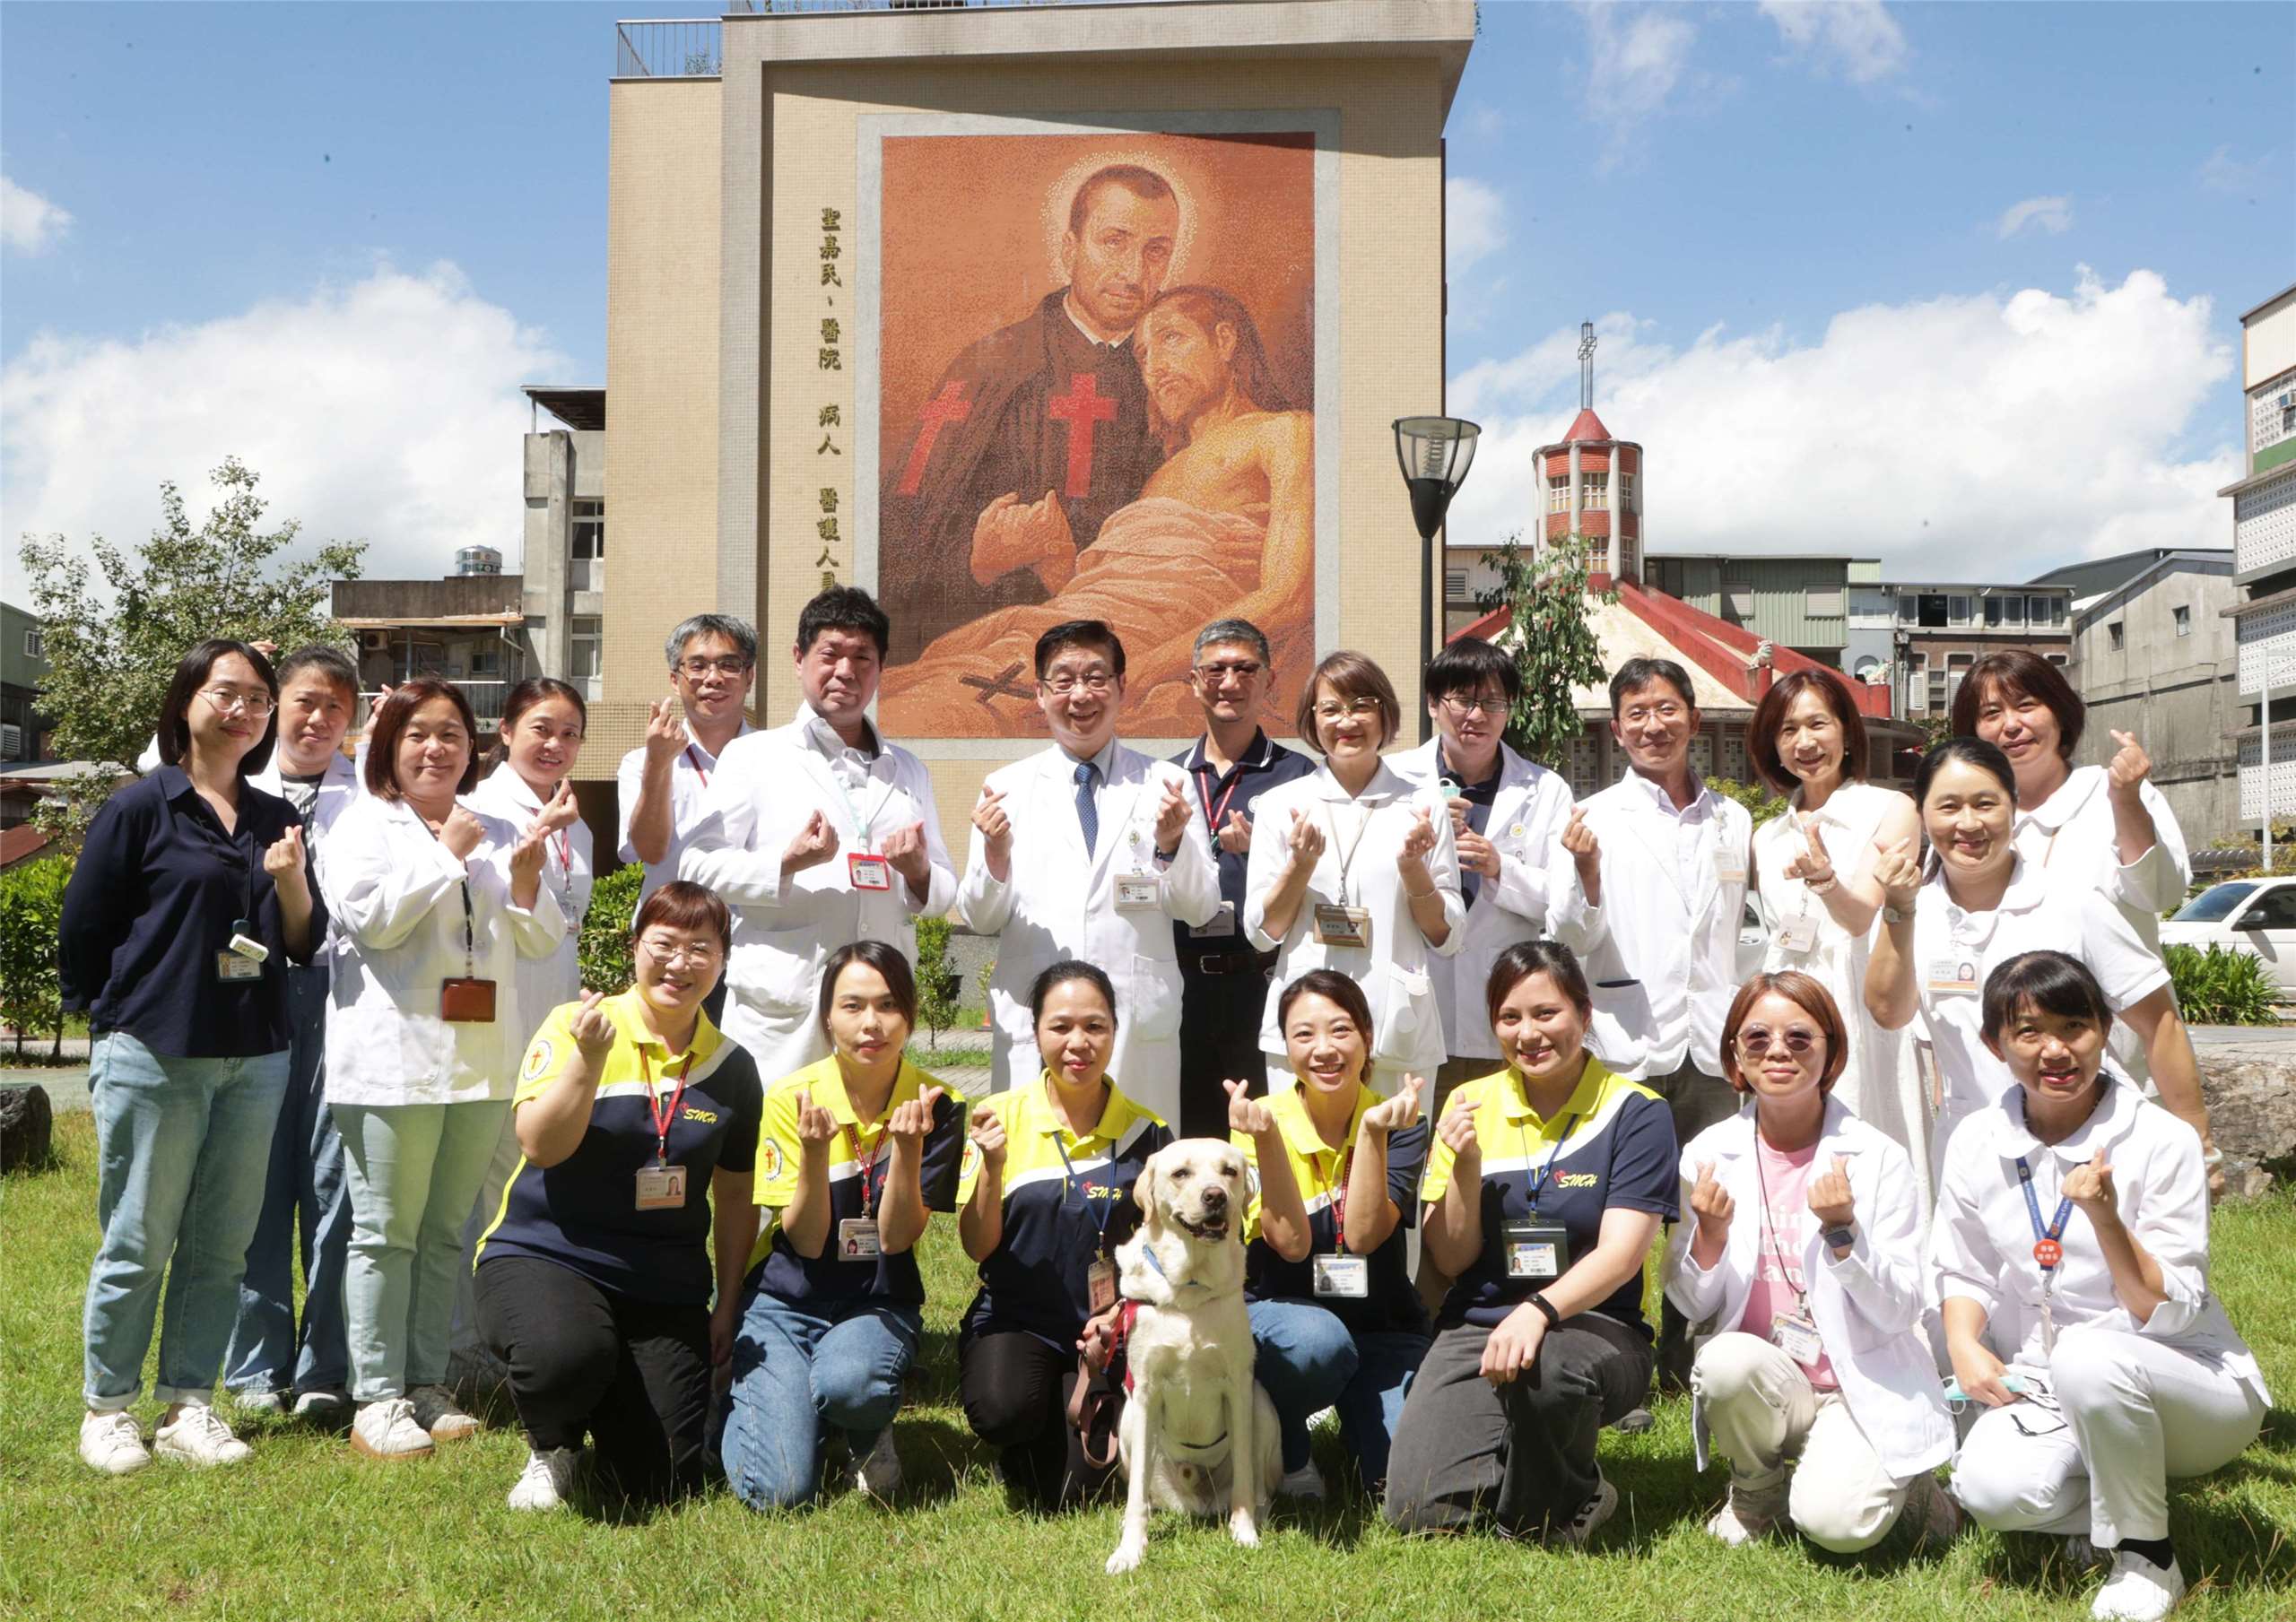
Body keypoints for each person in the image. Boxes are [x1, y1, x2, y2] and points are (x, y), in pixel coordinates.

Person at [1936, 952, 2267, 1622]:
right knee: (1988, 1490)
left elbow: (2164, 1307)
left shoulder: (2162, 1139)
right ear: (1993, 1043)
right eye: (2028, 1031)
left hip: (2189, 1383)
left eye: (2075, 1026)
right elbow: (1962, 1265)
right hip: (2048, 1383)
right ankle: (2118, 1502)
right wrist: (1964, 1344)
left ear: (2107, 1028)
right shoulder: (1975, 1138)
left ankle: (2147, 1556)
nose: (2055, 1049)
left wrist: (2105, 1215)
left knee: (2089, 1353)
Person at [64, 640, 322, 1473]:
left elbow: (301, 940)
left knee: (223, 1244)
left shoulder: (278, 817)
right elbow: (86, 925)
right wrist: (118, 1017)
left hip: (256, 1056)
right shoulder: (143, 805)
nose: (245, 709)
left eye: (257, 697)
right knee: (138, 1235)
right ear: (187, 704)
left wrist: (290, 881)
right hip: (157, 1048)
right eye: (227, 693)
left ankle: (187, 1403)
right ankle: (108, 1407)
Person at [878, 285, 1313, 737]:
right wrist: (1059, 561)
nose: (1155, 367)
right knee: (913, 710)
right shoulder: (1160, 474)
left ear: (1224, 341)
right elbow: (1120, 591)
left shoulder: (1284, 433)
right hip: (1062, 634)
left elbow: (1288, 597)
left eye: (1172, 339)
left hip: (1134, 659)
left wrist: (1138, 673)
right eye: (1143, 355)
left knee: (944, 721)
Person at [320, 678, 565, 1460]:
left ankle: (426, 1381)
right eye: (419, 733)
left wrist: (525, 880)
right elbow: (376, 921)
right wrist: (442, 852)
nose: (436, 748)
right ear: (389, 743)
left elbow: (534, 939)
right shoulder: (359, 826)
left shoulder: (493, 826)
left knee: (442, 1234)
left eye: (452, 735)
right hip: (392, 1064)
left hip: (480, 1064)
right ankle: (376, 1395)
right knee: (384, 1231)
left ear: (473, 748)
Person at [473, 883, 761, 1511]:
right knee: (566, 1353)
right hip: (546, 1254)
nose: (680, 963)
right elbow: (539, 1143)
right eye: (664, 943)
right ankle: (554, 1442)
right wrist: (588, 1059)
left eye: (700, 948)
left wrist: (726, 1303)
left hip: (661, 1284)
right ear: (635, 948)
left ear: (723, 960)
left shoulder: (732, 1066)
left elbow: (738, 1194)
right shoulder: (576, 1025)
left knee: (663, 1481)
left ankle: (606, 1380)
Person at [1383, 942, 1676, 1543]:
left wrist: (1537, 1311)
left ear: (1584, 1014)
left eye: (1547, 1013)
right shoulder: (1469, 1102)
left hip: (1592, 1328)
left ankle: (1575, 1494)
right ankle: (1520, 1447)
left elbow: (1622, 1257)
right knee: (1419, 1512)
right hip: (1481, 1326)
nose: (1529, 1032)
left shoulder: (1636, 1111)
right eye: (1510, 1017)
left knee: (1534, 1520)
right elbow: (1452, 1257)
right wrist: (1464, 1167)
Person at [1662, 971, 1957, 1553]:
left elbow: (1902, 1308)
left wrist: (1845, 1236)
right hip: (1771, 1377)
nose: (1777, 1050)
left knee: (1834, 1527)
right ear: (1735, 1056)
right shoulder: (1708, 1154)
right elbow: (1690, 1302)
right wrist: (1711, 1240)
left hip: (1857, 1382)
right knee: (1721, 1362)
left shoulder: (1877, 1156)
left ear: (1830, 1052)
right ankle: (1756, 1492)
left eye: (1799, 1038)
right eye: (1757, 1039)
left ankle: (1918, 1491)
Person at [1548, 655, 1752, 1392]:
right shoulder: (1591, 816)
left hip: (1712, 1035)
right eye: (1636, 713)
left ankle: (1688, 1337)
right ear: (1618, 728)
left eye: (1667, 709)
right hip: (1627, 1028)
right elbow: (1566, 933)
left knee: (1709, 1192)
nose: (1652, 725)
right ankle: (1620, 1339)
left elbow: (1732, 925)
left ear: (1694, 719)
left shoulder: (1733, 818)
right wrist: (1588, 875)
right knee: (1620, 1198)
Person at [1864, 739, 2207, 1175]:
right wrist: (1899, 909)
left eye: (1985, 804)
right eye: (1948, 807)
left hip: (2090, 1146)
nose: (1968, 823)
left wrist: (2199, 1140)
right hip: (1973, 1152)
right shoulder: (1910, 912)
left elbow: (2159, 1023)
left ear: (2013, 807)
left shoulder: (2074, 903)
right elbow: (1889, 1012)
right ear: (1924, 816)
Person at [880, 164, 1178, 663]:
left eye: (1155, 251)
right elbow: (902, 541)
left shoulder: (1185, 375)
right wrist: (978, 561)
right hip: (995, 644)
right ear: (1070, 248)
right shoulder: (992, 366)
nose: (1133, 272)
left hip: (1143, 645)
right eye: (1114, 242)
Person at [718, 941, 965, 1509]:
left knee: (851, 1385)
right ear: (827, 1016)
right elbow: (804, 1240)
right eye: (852, 1006)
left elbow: (898, 1238)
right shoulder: (790, 1096)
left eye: (888, 1005)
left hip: (875, 1301)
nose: (871, 1024)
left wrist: (907, 1150)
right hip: (786, 1300)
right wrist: (812, 1155)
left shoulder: (939, 1102)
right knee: (779, 1492)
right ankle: (747, 1406)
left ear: (911, 1013)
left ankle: (862, 1423)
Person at [1952, 652, 2214, 1177]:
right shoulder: (1971, 817)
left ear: (2060, 712)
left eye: (2027, 705)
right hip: (2008, 1054)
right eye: (1990, 714)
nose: (2011, 726)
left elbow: (2162, 889)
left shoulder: (2106, 792)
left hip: (2111, 1046)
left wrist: (2127, 799)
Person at [680, 587, 955, 1080]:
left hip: (879, 1005)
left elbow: (943, 890)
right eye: (830, 655)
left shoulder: (909, 770)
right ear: (799, 657)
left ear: (880, 667)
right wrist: (785, 864)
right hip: (787, 1003)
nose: (845, 672)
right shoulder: (752, 757)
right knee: (777, 1142)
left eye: (862, 658)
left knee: (867, 1145)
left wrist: (918, 874)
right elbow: (697, 867)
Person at [953, 619, 1220, 1122]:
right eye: (1064, 680)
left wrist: (1172, 846)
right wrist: (995, 857)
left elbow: (1201, 906)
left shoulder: (1167, 782)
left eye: (1097, 678)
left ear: (1122, 688)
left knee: (1141, 1169)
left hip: (1135, 1017)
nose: (1081, 695)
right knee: (1034, 1169)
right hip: (1038, 1020)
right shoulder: (1005, 787)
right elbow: (982, 919)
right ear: (1039, 693)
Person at [956, 961, 1172, 1511]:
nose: (1078, 1043)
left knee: (1083, 1490)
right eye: (1060, 1027)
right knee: (1005, 1410)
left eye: (1095, 1026)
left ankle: (1067, 1415)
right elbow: (977, 1246)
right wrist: (993, 1167)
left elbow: (1163, 1247)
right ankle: (1030, 1421)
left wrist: (1121, 1312)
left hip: (1111, 1327)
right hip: (1018, 1320)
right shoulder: (997, 1117)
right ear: (1036, 1034)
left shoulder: (1147, 1132)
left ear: (1114, 1033)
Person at [221, 645, 364, 1422]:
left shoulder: (368, 794)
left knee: (334, 1186)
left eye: (336, 707)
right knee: (257, 1183)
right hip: (254, 997)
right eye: (304, 701)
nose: (318, 719)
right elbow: (169, 742)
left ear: (354, 721)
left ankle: (324, 1367)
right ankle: (252, 1367)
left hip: (344, 1002)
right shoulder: (237, 782)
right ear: (275, 705)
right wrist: (242, 667)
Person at [1231, 970, 1431, 1500]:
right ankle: (1292, 1443)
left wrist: (1372, 1132)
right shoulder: (1258, 1120)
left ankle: (1357, 1414)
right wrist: (1268, 1141)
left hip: (1381, 1326)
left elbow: (1363, 1235)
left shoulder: (1400, 1119)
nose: (1324, 1050)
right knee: (1318, 1345)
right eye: (1304, 1035)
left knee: (1403, 1486)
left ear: (1367, 1037)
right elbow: (1290, 1244)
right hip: (1285, 1318)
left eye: (1341, 1031)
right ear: (1285, 1046)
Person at [1244, 651, 1463, 1097]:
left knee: (1395, 1160)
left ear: (1385, 713)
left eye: (1362, 705)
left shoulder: (1420, 806)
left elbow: (1449, 937)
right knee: (1303, 1160)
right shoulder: (1283, 806)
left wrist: (1414, 871)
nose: (1347, 721)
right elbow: (1262, 933)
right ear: (1312, 719)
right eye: (1331, 709)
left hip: (1395, 1018)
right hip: (1307, 1023)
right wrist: (1299, 867)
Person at [456, 677, 591, 1399]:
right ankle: (468, 1344)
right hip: (495, 1027)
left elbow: (563, 926)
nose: (555, 744)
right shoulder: (476, 811)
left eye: (570, 733)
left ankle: (505, 1334)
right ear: (505, 731)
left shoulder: (576, 820)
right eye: (541, 728)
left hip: (551, 1026)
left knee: (526, 1189)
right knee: (482, 1194)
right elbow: (508, 925)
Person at [1744, 671, 1926, 1200]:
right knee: (1788, 1158)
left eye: (1818, 724)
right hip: (1787, 1008)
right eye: (1787, 729)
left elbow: (1862, 917)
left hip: (1861, 1005)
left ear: (1847, 732)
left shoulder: (1891, 810)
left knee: (1871, 1150)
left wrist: (1824, 880)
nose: (1805, 742)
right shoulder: (1766, 836)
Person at [1389, 636, 1575, 1114]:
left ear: (1509, 710)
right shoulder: (1392, 781)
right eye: (1462, 700)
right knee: (1411, 1155)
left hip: (1505, 1012)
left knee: (1496, 1157)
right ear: (1433, 704)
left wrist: (1499, 868)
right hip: (1413, 1002)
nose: (1476, 716)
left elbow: (1563, 904)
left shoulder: (1545, 788)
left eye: (1492, 702)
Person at [1165, 619, 1315, 1137]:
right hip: (1181, 984)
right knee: (1189, 1136)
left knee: (1263, 1133)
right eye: (1216, 670)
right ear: (1193, 680)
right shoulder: (1163, 779)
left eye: (1245, 669)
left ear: (1269, 681)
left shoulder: (1299, 778)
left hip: (1262, 981)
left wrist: (1262, 853)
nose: (1229, 682)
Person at [616, 613, 758, 915]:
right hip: (672, 937)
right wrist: (659, 763)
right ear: (674, 679)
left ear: (750, 677)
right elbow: (650, 851)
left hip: (753, 936)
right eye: (697, 666)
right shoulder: (640, 762)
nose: (713, 678)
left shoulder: (775, 757)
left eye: (729, 665)